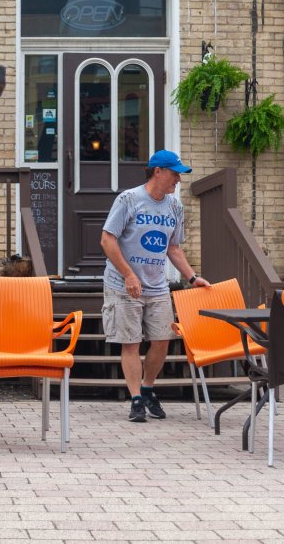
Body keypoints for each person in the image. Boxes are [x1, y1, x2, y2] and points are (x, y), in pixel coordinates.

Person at [100, 149, 209, 423]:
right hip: (123, 284)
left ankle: (148, 389)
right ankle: (136, 399)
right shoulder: (129, 199)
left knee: (162, 340)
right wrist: (128, 275)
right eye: (175, 174)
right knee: (131, 343)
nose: (178, 181)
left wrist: (193, 278)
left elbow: (173, 247)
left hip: (157, 285)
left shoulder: (174, 207)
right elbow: (107, 240)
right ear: (157, 172)